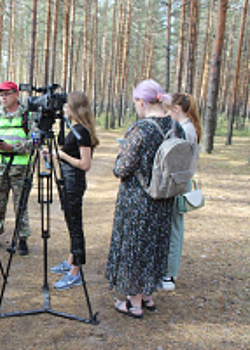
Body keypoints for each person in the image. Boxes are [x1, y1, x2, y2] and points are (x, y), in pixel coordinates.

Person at [105, 79, 185, 319]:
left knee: (133, 248)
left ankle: (134, 303)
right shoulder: (175, 127)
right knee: (155, 246)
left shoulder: (140, 129)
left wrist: (120, 156)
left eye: (135, 102)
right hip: (163, 197)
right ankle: (149, 296)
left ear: (141, 101)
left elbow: (122, 168)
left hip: (138, 200)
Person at [47, 91, 99, 290]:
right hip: (68, 181)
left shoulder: (82, 131)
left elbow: (85, 164)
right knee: (71, 224)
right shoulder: (75, 128)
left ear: (76, 108)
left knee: (75, 226)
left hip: (74, 183)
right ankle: (70, 261)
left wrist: (60, 154)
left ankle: (75, 272)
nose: (63, 109)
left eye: (67, 106)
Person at [0, 81, 33, 255]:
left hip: (20, 169)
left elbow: (35, 142)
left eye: (7, 94)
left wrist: (13, 147)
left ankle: (22, 238)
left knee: (21, 204)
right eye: (1, 95)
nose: (3, 97)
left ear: (16, 94)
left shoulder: (27, 116)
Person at [160, 92, 202, 291]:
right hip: (179, 181)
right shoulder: (189, 127)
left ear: (177, 109)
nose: (168, 115)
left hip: (179, 183)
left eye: (169, 110)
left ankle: (169, 274)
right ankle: (166, 271)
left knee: (175, 229)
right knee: (173, 227)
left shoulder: (185, 129)